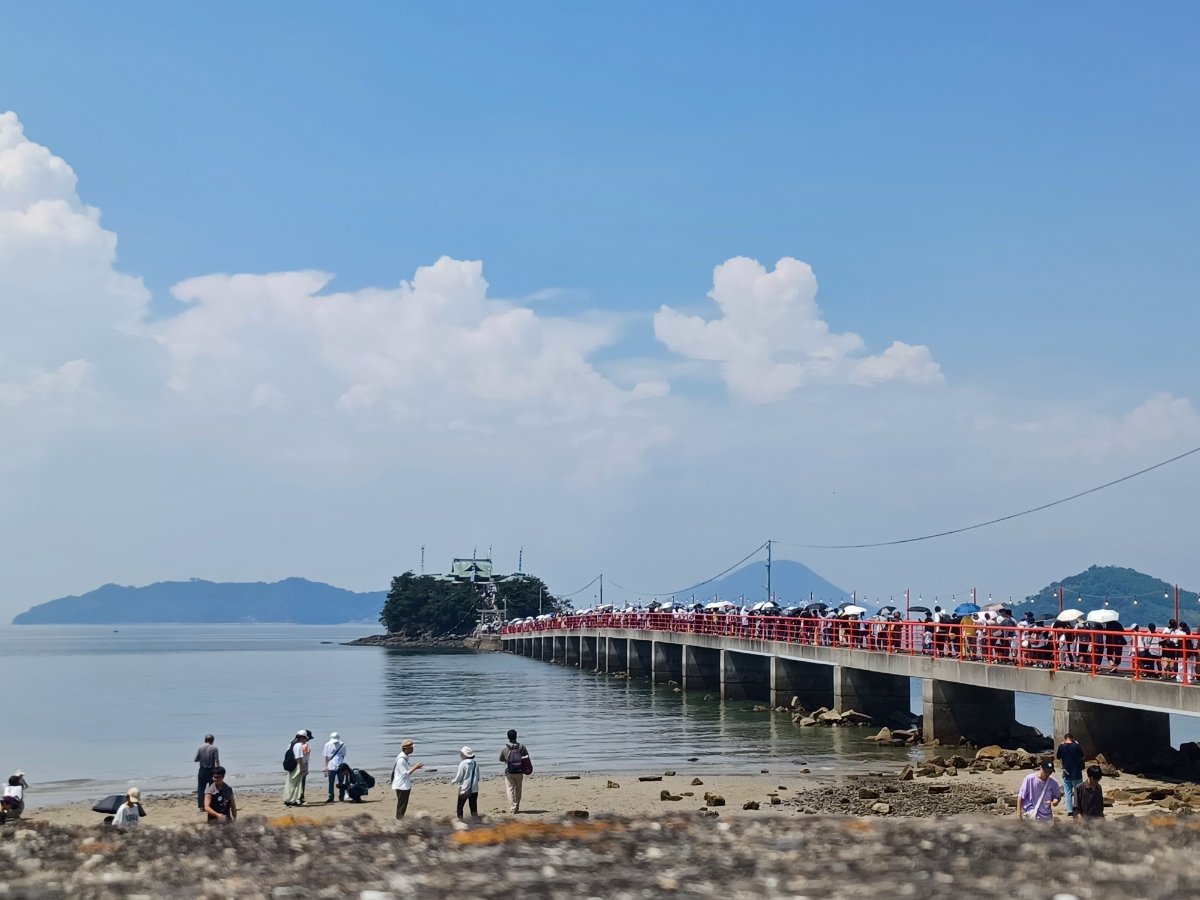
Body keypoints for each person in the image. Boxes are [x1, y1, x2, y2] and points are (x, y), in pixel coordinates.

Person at [500, 729, 530, 814]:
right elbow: (526, 757)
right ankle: (517, 806)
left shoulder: (505, 747)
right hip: (519, 771)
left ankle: (513, 808)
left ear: (508, 737)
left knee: (510, 789)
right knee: (518, 788)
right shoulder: (521, 746)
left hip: (508, 771)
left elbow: (501, 759)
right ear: (516, 736)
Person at [391, 739, 423, 819]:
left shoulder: (404, 757)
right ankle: (399, 819)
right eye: (411, 748)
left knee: (403, 804)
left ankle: (400, 818)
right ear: (406, 748)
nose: (412, 749)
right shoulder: (401, 760)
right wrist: (415, 767)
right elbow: (405, 773)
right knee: (402, 804)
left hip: (403, 784)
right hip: (402, 785)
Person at [1056, 733, 1085, 817]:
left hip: (1066, 772)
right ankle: (1077, 809)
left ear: (1064, 739)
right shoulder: (1076, 746)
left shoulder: (1061, 747)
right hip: (1076, 772)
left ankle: (1070, 811)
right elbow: (1082, 756)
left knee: (1067, 793)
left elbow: (1058, 757)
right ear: (1073, 739)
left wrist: (1062, 745)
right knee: (1078, 792)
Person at [452, 746, 481, 819]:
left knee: (460, 806)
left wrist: (454, 781)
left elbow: (459, 777)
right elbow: (478, 777)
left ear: (464, 755)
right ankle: (475, 820)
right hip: (474, 789)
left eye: (461, 753)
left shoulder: (463, 763)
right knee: (473, 806)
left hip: (465, 789)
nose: (460, 755)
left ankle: (460, 819)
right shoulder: (475, 763)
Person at [284, 730, 310, 807]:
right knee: (296, 784)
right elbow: (298, 758)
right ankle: (293, 800)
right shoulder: (299, 745)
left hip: (291, 765)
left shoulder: (291, 743)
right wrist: (302, 767)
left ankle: (287, 800)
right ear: (301, 738)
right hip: (297, 766)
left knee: (290, 783)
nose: (306, 740)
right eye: (305, 738)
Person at [194, 735, 220, 811]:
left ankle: (201, 806)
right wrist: (218, 769)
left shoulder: (200, 748)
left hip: (202, 770)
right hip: (211, 770)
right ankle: (211, 804)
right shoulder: (214, 748)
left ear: (205, 740)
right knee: (213, 788)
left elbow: (196, 759)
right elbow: (216, 760)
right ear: (212, 741)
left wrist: (202, 759)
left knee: (201, 788)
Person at [323, 732, 347, 803]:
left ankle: (341, 797)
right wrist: (326, 766)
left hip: (340, 766)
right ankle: (331, 797)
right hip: (331, 766)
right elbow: (326, 756)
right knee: (331, 782)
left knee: (341, 782)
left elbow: (343, 755)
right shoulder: (327, 745)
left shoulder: (343, 744)